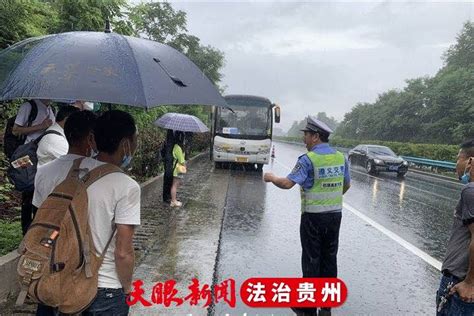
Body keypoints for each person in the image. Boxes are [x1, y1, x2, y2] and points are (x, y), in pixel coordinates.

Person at [34, 110, 140, 316]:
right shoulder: (127, 186)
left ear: (95, 138)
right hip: (104, 288)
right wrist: (127, 288)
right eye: (135, 140)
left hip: (60, 275)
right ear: (126, 143)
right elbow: (123, 252)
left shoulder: (74, 169)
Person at [263, 117, 351, 316]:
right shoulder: (341, 157)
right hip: (335, 217)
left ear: (316, 136)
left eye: (306, 135)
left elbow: (287, 183)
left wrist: (271, 177)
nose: (304, 139)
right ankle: (326, 307)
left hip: (313, 218)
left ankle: (309, 308)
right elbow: (346, 185)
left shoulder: (308, 159)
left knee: (312, 259)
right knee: (329, 259)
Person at [436, 139, 474, 315]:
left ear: (470, 161)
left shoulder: (470, 192)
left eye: (458, 158)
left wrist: (469, 283)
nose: (456, 164)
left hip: (460, 283)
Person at [12, 99, 56, 235]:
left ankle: (39, 227)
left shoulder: (52, 109)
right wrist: (41, 126)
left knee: (41, 190)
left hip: (45, 155)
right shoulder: (29, 106)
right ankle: (26, 232)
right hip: (29, 155)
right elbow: (15, 130)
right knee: (28, 192)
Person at [171, 131, 186, 207]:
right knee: (175, 185)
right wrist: (185, 166)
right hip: (177, 169)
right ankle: (173, 201)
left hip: (178, 169)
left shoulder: (177, 146)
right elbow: (181, 160)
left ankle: (174, 199)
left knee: (177, 184)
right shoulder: (178, 148)